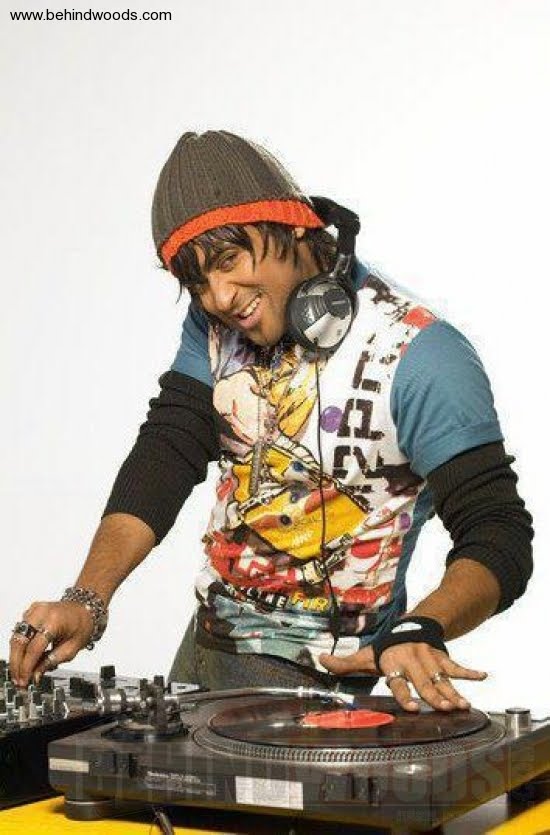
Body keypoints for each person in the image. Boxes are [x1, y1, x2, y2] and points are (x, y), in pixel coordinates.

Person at [9, 130, 533, 712]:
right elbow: (169, 448)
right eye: (197, 282)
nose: (218, 298)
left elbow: (498, 531)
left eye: (229, 261)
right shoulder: (213, 326)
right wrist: (88, 597)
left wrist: (421, 627)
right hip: (202, 656)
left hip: (322, 692)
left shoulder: (420, 355)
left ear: (294, 225)